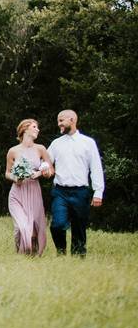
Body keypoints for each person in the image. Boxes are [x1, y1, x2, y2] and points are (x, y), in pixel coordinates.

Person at [47, 110, 104, 257]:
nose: (59, 124)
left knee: (79, 227)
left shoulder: (88, 143)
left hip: (80, 191)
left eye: (61, 120)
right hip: (60, 191)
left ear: (72, 120)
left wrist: (98, 192)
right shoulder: (56, 143)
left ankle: (78, 258)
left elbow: (96, 168)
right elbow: (46, 162)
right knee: (57, 225)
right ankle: (61, 252)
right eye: (58, 121)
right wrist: (42, 169)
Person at [5, 119, 53, 255]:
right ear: (25, 129)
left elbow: (50, 171)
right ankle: (21, 251)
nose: (37, 130)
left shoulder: (41, 149)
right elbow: (7, 173)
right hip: (17, 192)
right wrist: (15, 178)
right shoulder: (13, 151)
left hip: (33, 191)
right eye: (34, 127)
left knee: (33, 229)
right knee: (21, 226)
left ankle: (32, 254)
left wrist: (40, 173)